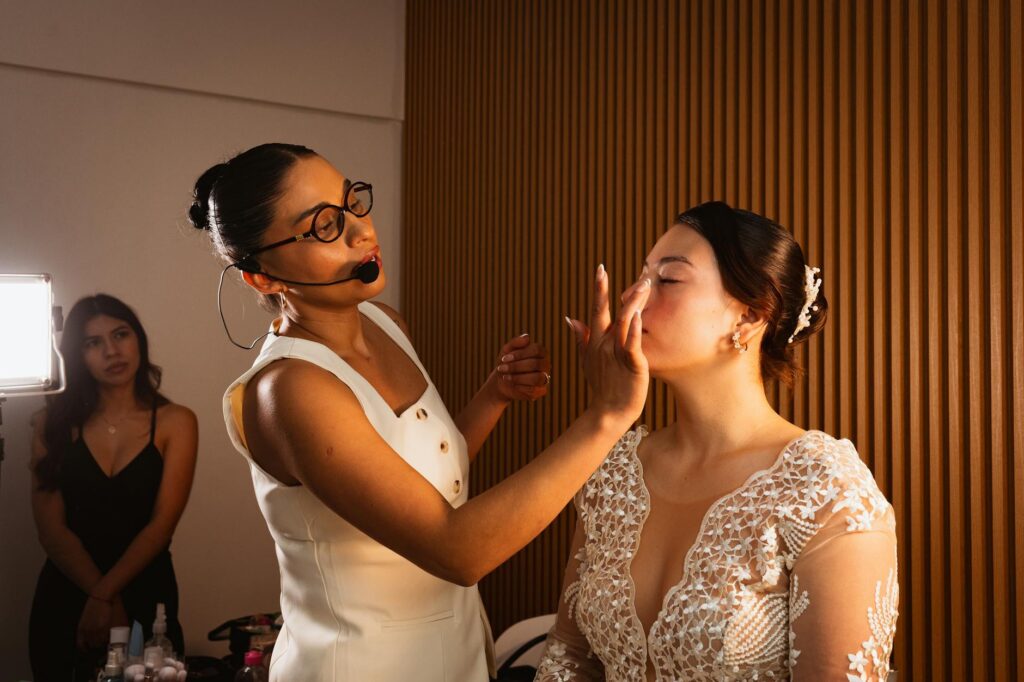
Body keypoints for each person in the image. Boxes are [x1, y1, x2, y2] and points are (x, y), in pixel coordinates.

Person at [187, 142, 650, 681]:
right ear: (263, 277)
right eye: (324, 226)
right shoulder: (289, 389)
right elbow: (456, 549)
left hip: (456, 650)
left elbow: (418, 484)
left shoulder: (384, 323)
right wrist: (608, 417)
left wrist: (494, 396)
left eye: (352, 202)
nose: (361, 230)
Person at [537, 202, 898, 681]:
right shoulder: (613, 472)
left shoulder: (827, 490)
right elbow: (569, 658)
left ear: (749, 316)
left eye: (666, 280)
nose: (632, 296)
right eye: (640, 277)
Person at [28, 294, 198, 680]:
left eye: (121, 334)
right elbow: (50, 530)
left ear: (138, 339)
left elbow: (161, 525)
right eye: (93, 343)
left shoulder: (176, 422)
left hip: (146, 592)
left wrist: (105, 596)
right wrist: (99, 597)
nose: (111, 351)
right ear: (76, 355)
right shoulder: (49, 423)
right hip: (66, 591)